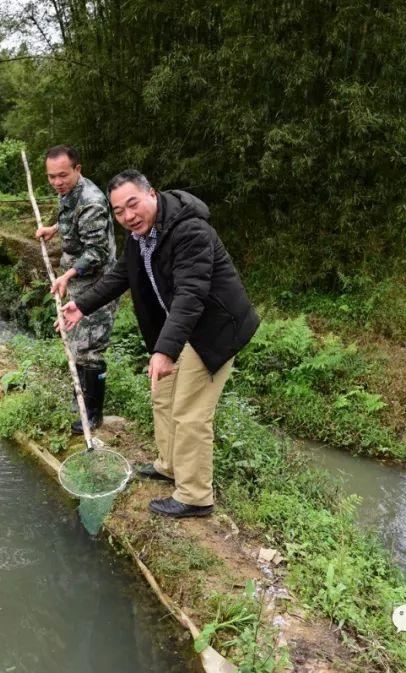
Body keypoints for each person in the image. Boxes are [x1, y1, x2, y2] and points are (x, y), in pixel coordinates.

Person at [60, 170, 260, 518]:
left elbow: (191, 294)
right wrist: (83, 305)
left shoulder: (189, 231)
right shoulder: (141, 235)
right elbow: (122, 274)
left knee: (190, 412)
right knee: (162, 396)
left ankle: (196, 496)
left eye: (132, 204)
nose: (127, 216)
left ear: (151, 193)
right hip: (182, 328)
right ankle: (169, 465)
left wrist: (165, 350)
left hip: (213, 330)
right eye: (119, 211)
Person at [35, 145, 117, 432]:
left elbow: (97, 253)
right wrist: (52, 229)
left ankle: (93, 415)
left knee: (90, 347)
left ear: (77, 170)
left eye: (63, 176)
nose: (57, 182)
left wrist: (66, 275)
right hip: (77, 281)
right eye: (51, 177)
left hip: (97, 284)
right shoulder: (68, 193)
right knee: (75, 340)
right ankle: (79, 399)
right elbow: (69, 218)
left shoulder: (92, 201)